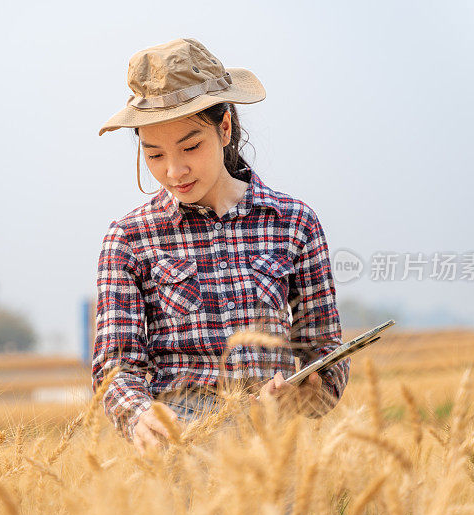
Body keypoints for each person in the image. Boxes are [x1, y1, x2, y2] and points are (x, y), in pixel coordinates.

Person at [93, 37, 349, 456]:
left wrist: (308, 389)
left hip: (274, 455)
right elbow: (116, 366)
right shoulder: (129, 238)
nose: (174, 171)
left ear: (225, 128)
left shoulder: (294, 222)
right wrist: (140, 415)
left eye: (191, 146)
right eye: (154, 155)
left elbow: (325, 350)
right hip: (180, 452)